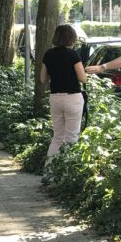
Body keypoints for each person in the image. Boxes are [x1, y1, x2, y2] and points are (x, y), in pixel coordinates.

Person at [40, 24, 87, 160]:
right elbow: (83, 78)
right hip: (72, 98)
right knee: (71, 137)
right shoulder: (73, 54)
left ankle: (49, 168)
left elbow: (42, 79)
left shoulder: (48, 54)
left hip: (55, 98)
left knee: (58, 136)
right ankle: (67, 168)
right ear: (71, 38)